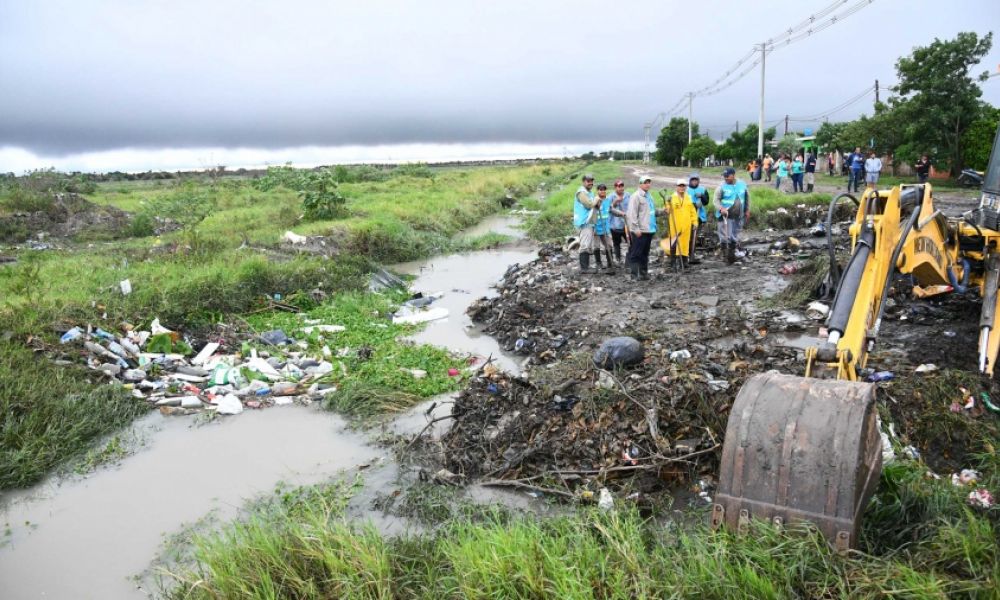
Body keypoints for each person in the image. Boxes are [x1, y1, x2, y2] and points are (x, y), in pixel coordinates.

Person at [624, 176, 662, 281]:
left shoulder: (649, 196)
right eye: (645, 182)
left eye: (649, 182)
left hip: (649, 229)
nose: (647, 184)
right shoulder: (635, 197)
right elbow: (632, 215)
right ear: (640, 184)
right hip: (640, 231)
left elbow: (651, 212)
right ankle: (634, 275)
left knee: (645, 253)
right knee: (636, 253)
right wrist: (636, 229)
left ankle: (643, 273)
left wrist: (663, 211)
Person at [714, 167, 750, 265]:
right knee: (725, 237)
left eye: (727, 176)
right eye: (724, 176)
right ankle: (725, 256)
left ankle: (732, 255)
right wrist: (721, 208)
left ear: (733, 175)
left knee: (734, 236)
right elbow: (716, 200)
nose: (725, 178)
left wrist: (747, 209)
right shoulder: (721, 186)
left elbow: (747, 197)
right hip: (725, 216)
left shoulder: (742, 184)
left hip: (738, 215)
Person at [661, 179, 698, 270]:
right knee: (674, 244)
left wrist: (695, 222)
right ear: (676, 187)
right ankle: (673, 263)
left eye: (683, 186)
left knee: (685, 244)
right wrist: (667, 206)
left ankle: (684, 262)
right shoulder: (671, 198)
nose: (682, 188)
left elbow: (692, 211)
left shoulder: (688, 197)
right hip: (675, 225)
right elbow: (667, 210)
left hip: (686, 225)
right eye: (680, 186)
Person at [572, 173, 598, 274]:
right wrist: (596, 200)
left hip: (588, 222)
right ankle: (584, 268)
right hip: (584, 222)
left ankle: (585, 266)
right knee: (585, 245)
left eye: (591, 181)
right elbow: (588, 205)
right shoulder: (581, 192)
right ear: (584, 182)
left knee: (587, 244)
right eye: (588, 181)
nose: (590, 183)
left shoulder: (589, 192)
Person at [592, 183, 616, 274]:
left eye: (604, 189)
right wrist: (593, 226)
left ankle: (610, 263)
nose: (602, 191)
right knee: (596, 246)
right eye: (600, 189)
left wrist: (621, 214)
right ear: (597, 191)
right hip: (596, 227)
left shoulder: (608, 200)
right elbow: (591, 214)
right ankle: (599, 263)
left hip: (605, 227)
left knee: (609, 245)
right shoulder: (595, 200)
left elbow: (611, 210)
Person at [686, 172, 710, 264]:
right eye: (693, 180)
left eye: (696, 180)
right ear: (690, 181)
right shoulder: (686, 189)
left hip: (699, 216)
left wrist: (702, 196)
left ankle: (691, 254)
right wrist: (694, 205)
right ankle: (686, 255)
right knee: (688, 236)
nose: (694, 182)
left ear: (698, 181)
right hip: (687, 217)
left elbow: (706, 202)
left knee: (694, 236)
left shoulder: (703, 189)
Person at [608, 179, 631, 265]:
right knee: (616, 243)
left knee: (630, 242)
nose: (621, 188)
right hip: (615, 225)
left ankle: (630, 258)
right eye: (619, 186)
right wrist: (615, 202)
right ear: (615, 187)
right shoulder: (611, 197)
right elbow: (609, 209)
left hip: (627, 224)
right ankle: (618, 258)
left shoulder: (628, 195)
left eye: (622, 186)